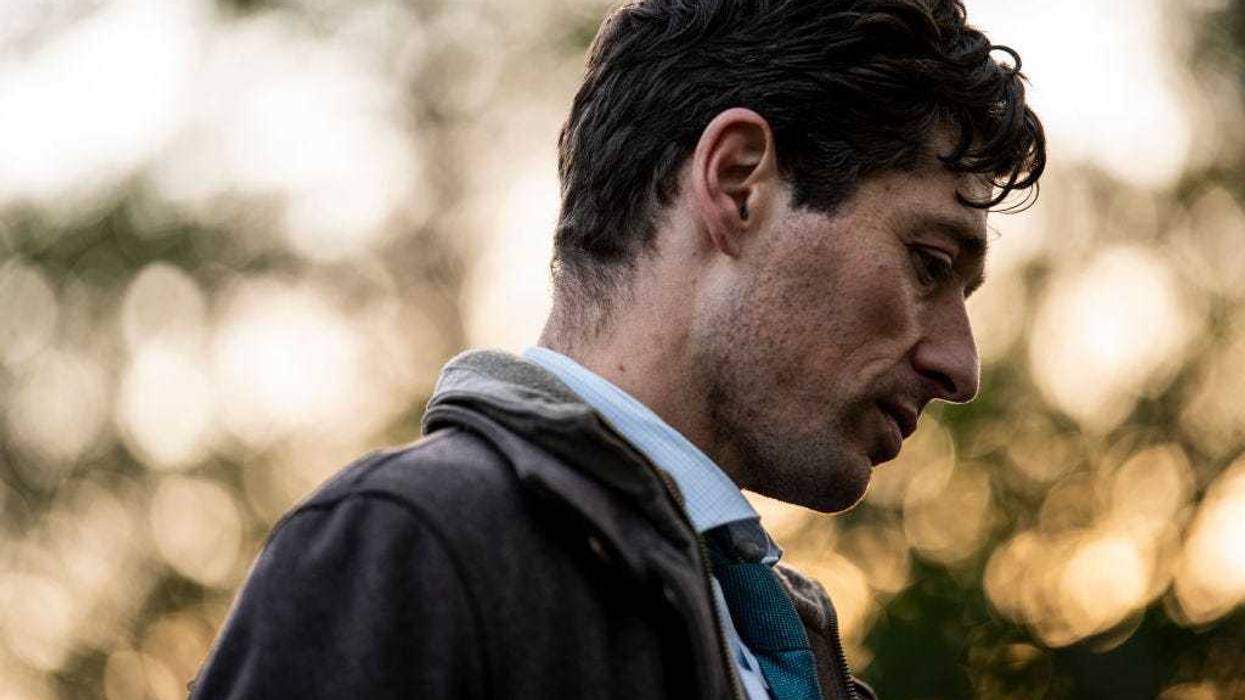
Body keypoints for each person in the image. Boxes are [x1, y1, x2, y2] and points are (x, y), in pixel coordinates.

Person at [190, 0, 1044, 698]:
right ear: (738, 182)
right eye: (928, 263)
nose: (958, 367)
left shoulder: (777, 647)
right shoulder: (411, 547)